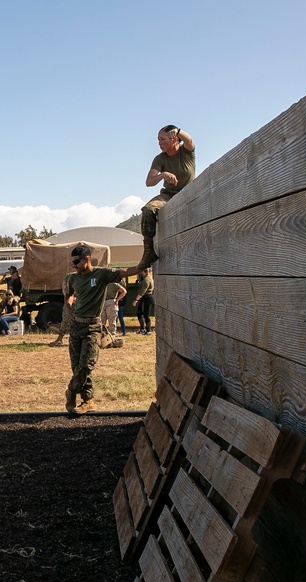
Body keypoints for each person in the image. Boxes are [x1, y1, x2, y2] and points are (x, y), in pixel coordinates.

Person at [64, 245, 141, 414]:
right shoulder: (72, 279)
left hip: (93, 327)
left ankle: (71, 391)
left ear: (87, 259)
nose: (74, 265)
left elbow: (126, 271)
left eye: (77, 262)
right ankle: (88, 401)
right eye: (72, 262)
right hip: (76, 326)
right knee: (77, 366)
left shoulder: (101, 274)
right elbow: (69, 296)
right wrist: (69, 308)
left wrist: (145, 264)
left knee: (86, 365)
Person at [137, 125, 195, 269]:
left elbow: (189, 141)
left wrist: (179, 131)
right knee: (148, 209)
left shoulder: (186, 152)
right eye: (158, 140)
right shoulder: (160, 159)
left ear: (174, 139)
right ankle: (149, 252)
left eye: (162, 139)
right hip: (169, 195)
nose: (159, 143)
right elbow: (149, 182)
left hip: (190, 192)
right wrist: (162, 175)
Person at [49, 266, 78, 347]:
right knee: (65, 319)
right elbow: (65, 288)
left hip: (80, 303)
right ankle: (60, 338)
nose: (75, 268)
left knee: (79, 321)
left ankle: (75, 340)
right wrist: (69, 297)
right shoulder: (69, 276)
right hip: (69, 302)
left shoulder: (84, 276)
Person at [133, 269, 155, 335]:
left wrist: (136, 300)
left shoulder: (147, 280)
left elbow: (142, 292)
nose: (140, 274)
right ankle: (142, 329)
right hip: (143, 298)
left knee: (146, 315)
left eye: (141, 272)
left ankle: (148, 331)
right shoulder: (143, 279)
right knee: (139, 313)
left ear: (145, 272)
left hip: (147, 298)